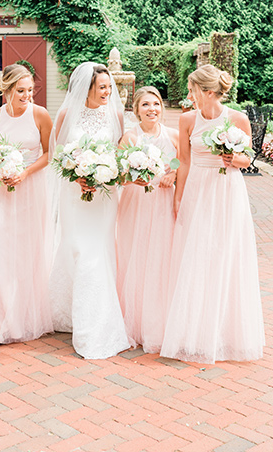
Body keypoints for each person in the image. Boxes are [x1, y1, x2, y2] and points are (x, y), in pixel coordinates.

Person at [160, 64, 265, 363]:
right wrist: (178, 196)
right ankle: (193, 332)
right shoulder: (187, 120)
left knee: (224, 255)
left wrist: (234, 158)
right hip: (197, 191)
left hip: (227, 192)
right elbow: (183, 160)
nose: (189, 95)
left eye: (192, 90)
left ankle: (223, 335)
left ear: (207, 92)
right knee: (195, 256)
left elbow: (249, 161)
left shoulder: (237, 118)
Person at [49, 62, 130, 359]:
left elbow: (121, 155)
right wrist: (77, 176)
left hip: (105, 196)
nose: (108, 92)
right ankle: (68, 311)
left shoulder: (117, 115)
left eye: (110, 87)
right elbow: (57, 156)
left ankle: (93, 325)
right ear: (87, 88)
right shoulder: (66, 114)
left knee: (95, 252)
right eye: (102, 87)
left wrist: (105, 175)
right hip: (74, 195)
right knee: (74, 247)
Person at [0, 64, 54, 344]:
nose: (27, 95)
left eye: (30, 90)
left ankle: (22, 320)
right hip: (1, 194)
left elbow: (49, 154)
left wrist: (24, 172)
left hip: (31, 191)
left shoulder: (40, 115)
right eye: (20, 91)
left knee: (26, 253)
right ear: (6, 90)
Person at [116, 86, 179, 353]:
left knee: (161, 258)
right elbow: (118, 175)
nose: (152, 109)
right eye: (145, 105)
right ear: (136, 110)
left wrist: (172, 174)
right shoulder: (129, 138)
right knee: (136, 256)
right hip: (137, 201)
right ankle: (134, 321)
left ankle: (159, 321)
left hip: (164, 201)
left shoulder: (174, 135)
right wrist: (132, 177)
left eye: (156, 104)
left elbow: (182, 162)